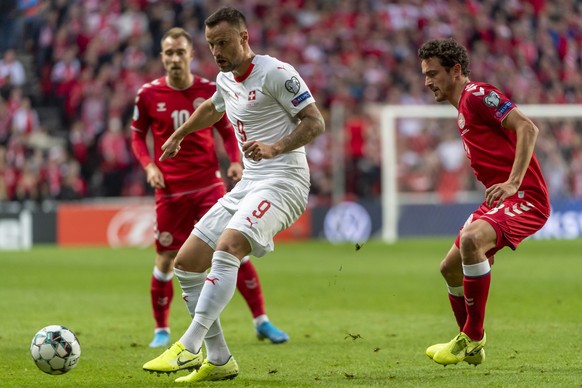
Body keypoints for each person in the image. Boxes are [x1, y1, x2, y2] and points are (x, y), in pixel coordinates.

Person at [142, 7, 325, 382]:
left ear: (244, 38)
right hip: (250, 184)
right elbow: (212, 107)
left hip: (285, 181)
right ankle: (220, 358)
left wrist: (275, 147)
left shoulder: (277, 73)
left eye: (223, 42)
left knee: (227, 248)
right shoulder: (225, 79)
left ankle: (187, 347)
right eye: (211, 45)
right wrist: (179, 135)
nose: (217, 52)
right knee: (187, 261)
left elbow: (315, 122)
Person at [130, 27, 290, 350]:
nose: (174, 58)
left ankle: (261, 320)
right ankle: (161, 329)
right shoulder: (147, 95)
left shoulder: (210, 88)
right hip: (170, 189)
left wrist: (235, 160)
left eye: (180, 52)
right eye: (168, 53)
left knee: (233, 251)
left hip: (208, 185)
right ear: (162, 57)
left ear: (191, 55)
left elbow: (227, 131)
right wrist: (149, 166)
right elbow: (137, 136)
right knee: (166, 260)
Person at [418, 38, 550, 366]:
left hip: (526, 198)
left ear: (456, 70)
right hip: (499, 199)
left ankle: (472, 337)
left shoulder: (476, 95)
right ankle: (472, 344)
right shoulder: (462, 108)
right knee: (449, 268)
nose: (427, 82)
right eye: (425, 75)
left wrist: (514, 182)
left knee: (471, 239)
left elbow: (527, 128)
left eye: (433, 73)